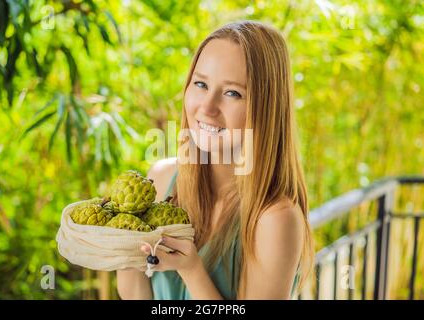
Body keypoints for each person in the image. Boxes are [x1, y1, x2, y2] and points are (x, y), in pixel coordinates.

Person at [117, 20, 314, 300]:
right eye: (200, 84)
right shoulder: (162, 178)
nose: (207, 107)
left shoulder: (275, 219)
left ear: (265, 107)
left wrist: (192, 269)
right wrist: (120, 245)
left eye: (232, 93)